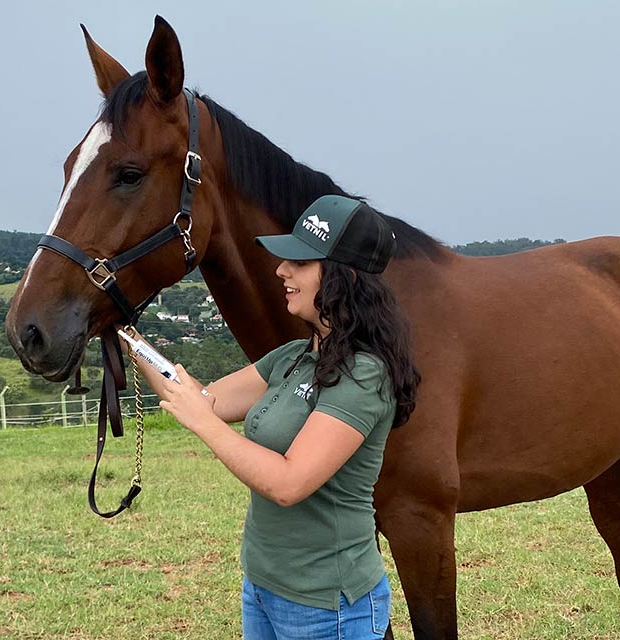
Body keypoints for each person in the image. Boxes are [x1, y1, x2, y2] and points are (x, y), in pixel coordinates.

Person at [126, 195, 421, 640]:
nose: (282, 269)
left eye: (300, 261)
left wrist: (204, 423)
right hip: (264, 587)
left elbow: (289, 483)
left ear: (344, 277)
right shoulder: (292, 358)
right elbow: (199, 397)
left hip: (326, 607)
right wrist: (125, 332)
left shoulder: (364, 375)